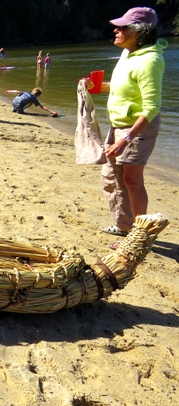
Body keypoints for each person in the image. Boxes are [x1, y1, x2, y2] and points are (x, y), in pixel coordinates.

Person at [89, 7, 166, 241]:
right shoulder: (128, 54)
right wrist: (93, 87)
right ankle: (124, 225)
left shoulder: (151, 60)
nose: (116, 29)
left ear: (139, 32)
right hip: (119, 125)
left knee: (132, 180)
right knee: (112, 176)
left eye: (122, 27)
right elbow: (122, 86)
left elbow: (152, 107)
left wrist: (127, 138)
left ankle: (138, 236)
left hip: (136, 129)